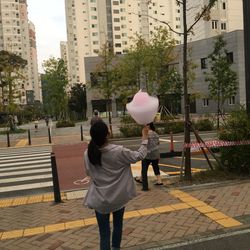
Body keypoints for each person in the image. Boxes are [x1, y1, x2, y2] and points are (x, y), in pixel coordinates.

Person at [83, 121, 148, 250]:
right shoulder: (119, 151)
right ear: (107, 134)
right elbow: (139, 155)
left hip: (100, 200)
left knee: (104, 234)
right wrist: (144, 138)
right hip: (118, 197)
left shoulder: (87, 154)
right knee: (118, 226)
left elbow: (88, 172)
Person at [134, 122, 163, 191]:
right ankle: (159, 181)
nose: (144, 126)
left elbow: (144, 143)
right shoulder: (156, 134)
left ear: (148, 126)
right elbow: (158, 143)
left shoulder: (146, 133)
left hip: (147, 154)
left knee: (144, 167)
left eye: (146, 125)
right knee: (155, 166)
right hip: (155, 153)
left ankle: (142, 180)